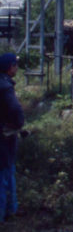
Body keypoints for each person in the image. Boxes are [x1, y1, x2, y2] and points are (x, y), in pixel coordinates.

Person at [0, 52, 24, 222]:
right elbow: (16, 110)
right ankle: (6, 212)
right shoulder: (5, 87)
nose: (17, 67)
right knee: (5, 175)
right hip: (4, 138)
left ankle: (9, 211)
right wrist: (18, 125)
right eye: (15, 64)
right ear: (10, 68)